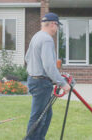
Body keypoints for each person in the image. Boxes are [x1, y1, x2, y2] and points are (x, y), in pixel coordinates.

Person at [24, 12, 71, 140]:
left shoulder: (36, 36)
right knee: (39, 117)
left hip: (34, 80)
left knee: (46, 115)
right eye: (57, 26)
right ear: (52, 24)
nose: (57, 29)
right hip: (41, 84)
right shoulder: (47, 39)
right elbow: (49, 66)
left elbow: (27, 58)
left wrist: (42, 72)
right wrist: (63, 83)